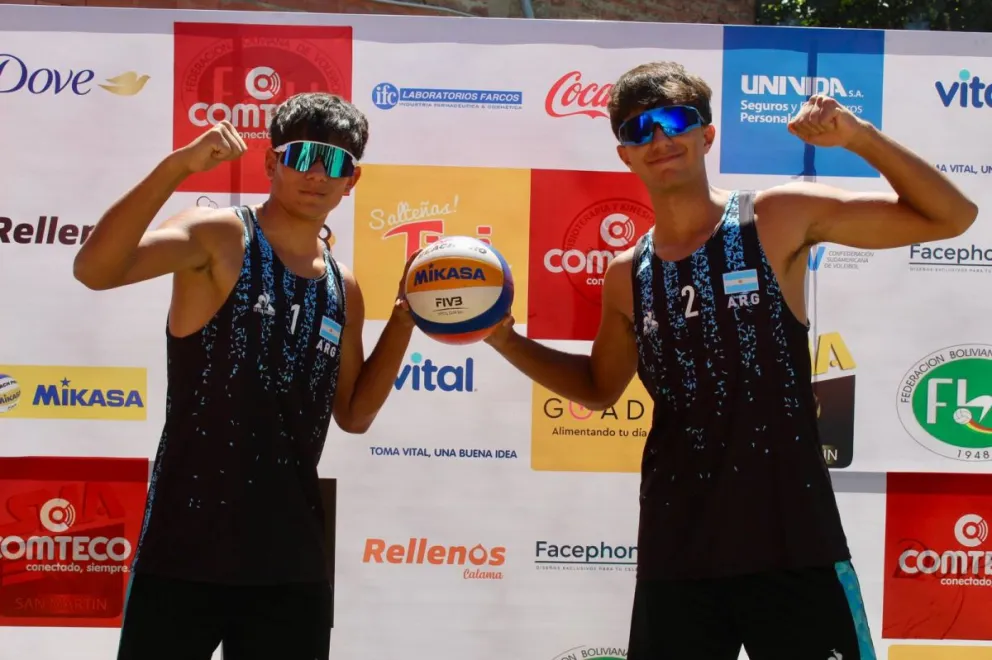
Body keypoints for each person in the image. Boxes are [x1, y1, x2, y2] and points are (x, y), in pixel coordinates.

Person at [484, 62, 978, 659]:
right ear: (625, 155)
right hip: (678, 548)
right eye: (640, 129)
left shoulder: (775, 216)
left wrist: (859, 138)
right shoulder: (625, 274)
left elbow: (953, 217)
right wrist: (503, 339)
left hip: (792, 538)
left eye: (675, 121)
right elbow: (598, 388)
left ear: (707, 135)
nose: (660, 138)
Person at [73, 93, 417, 660]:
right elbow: (94, 269)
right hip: (185, 547)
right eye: (302, 155)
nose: (316, 173)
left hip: (291, 560)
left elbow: (354, 416)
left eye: (334, 161)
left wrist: (403, 320)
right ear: (271, 162)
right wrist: (177, 167)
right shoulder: (220, 236)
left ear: (352, 180)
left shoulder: (344, 286)